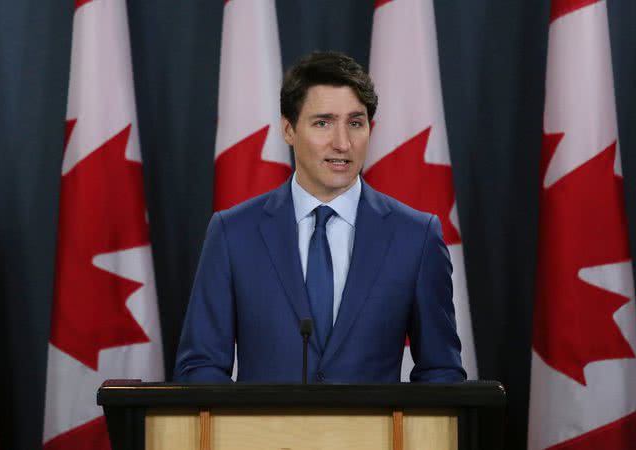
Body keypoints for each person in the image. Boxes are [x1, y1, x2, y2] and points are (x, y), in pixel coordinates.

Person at [174, 51, 465, 383]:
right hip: (264, 436)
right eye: (323, 122)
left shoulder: (416, 236)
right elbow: (200, 367)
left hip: (375, 436)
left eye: (355, 123)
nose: (342, 143)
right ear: (288, 129)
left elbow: (441, 371)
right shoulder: (232, 233)